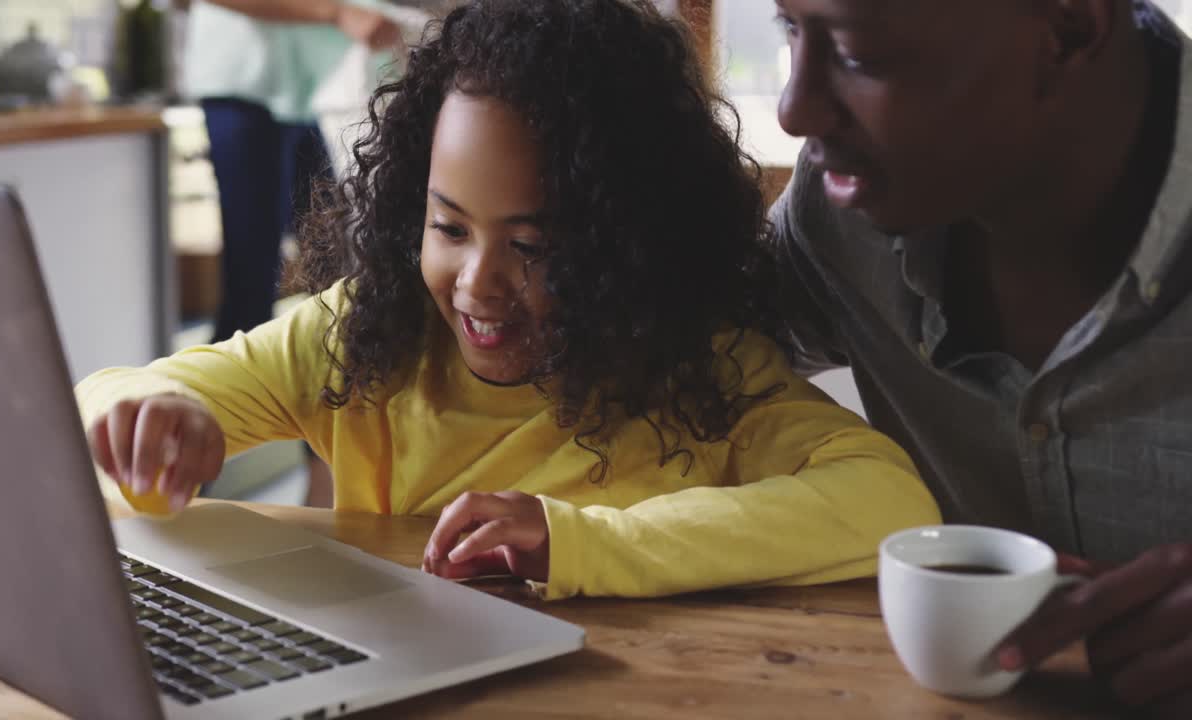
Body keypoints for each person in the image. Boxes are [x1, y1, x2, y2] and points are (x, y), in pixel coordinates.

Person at [76, 0, 938, 602]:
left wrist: (579, 542)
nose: (479, 283)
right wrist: (153, 417)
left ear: (627, 244)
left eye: (532, 247)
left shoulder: (701, 371)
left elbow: (888, 504)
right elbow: (100, 405)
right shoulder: (365, 336)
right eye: (449, 227)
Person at [767, 0, 1191, 715]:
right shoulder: (838, 218)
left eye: (859, 55)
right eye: (789, 28)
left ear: (1066, 29)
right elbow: (673, 364)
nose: (795, 109)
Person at [183, 0, 404, 343]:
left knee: (336, 273)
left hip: (303, 91)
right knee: (253, 283)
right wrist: (339, 12)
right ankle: (210, 393)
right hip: (245, 84)